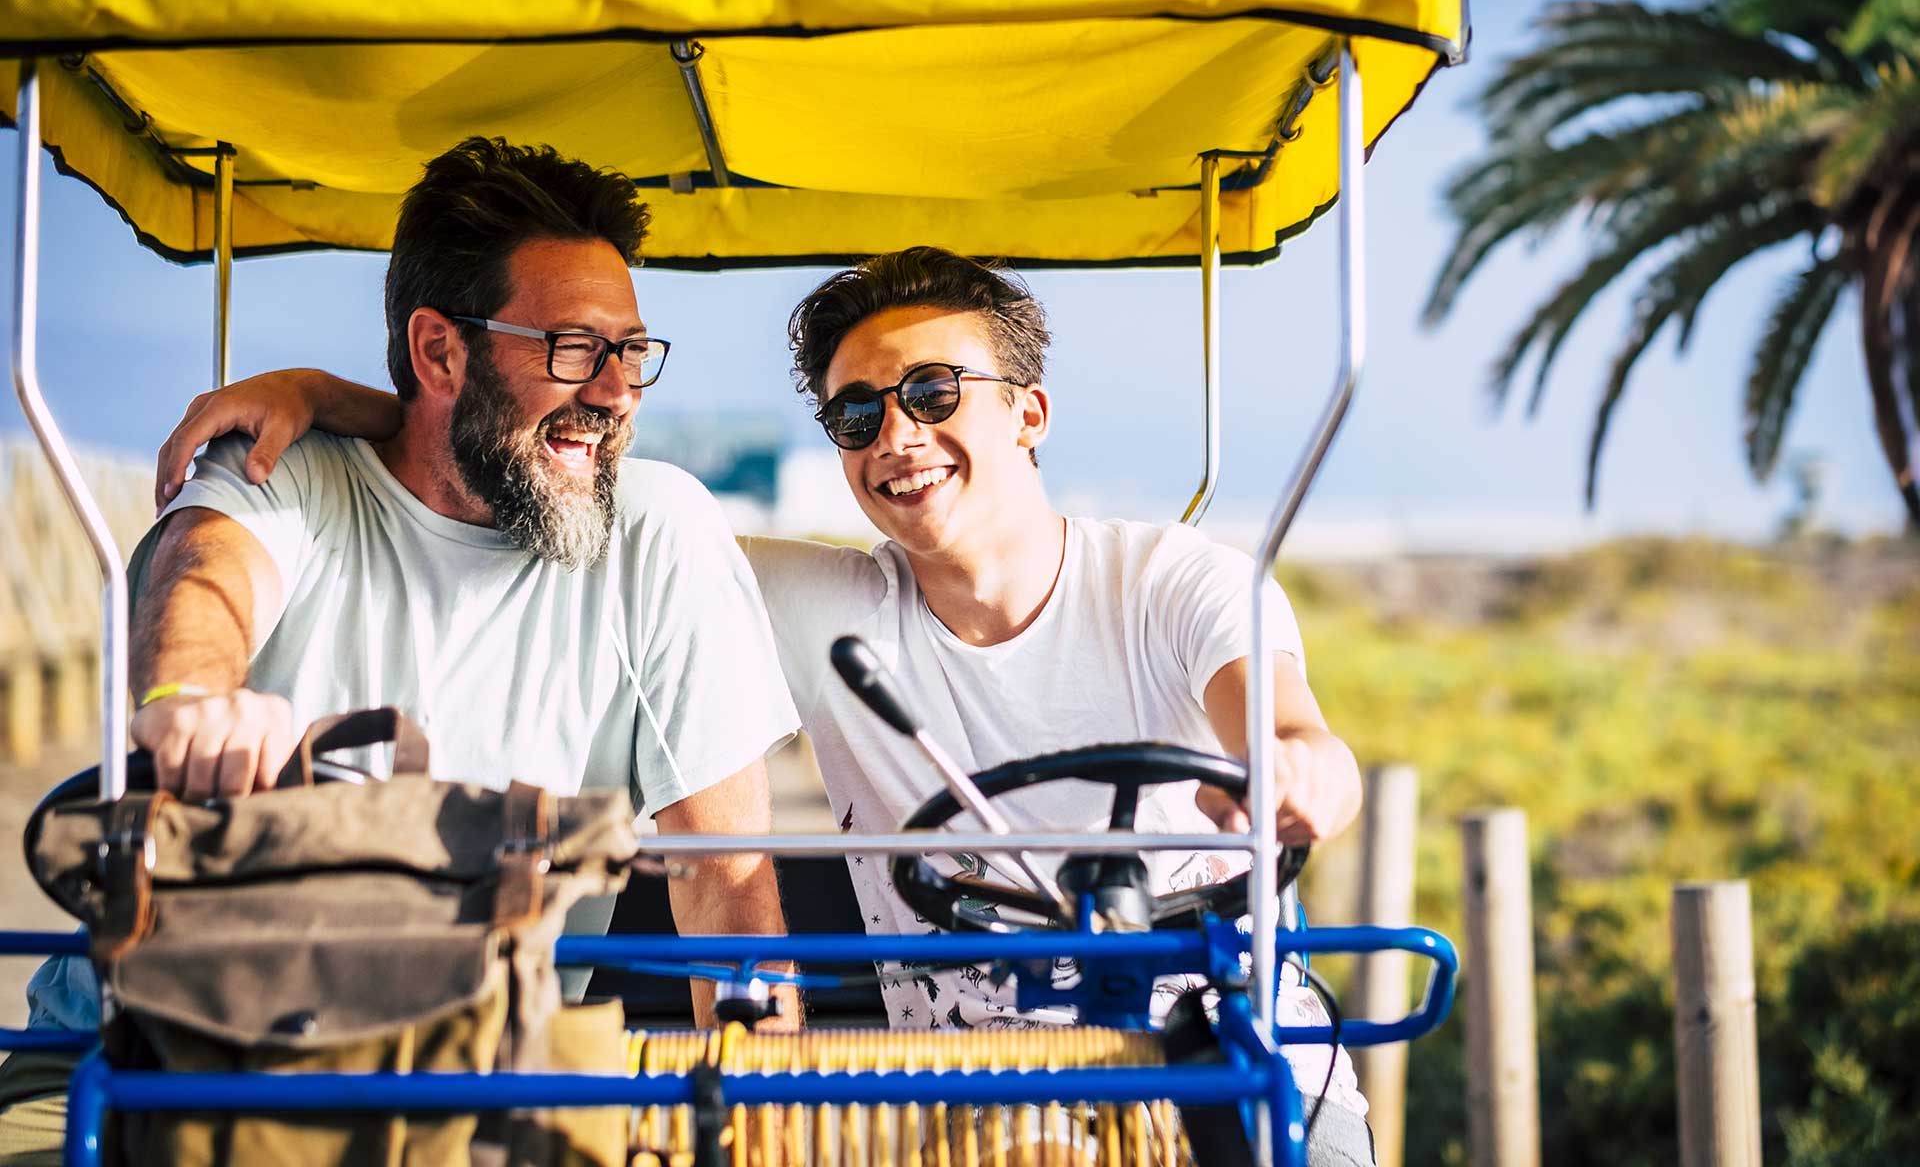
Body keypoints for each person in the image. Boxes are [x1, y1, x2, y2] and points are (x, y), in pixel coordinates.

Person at [147, 247, 1376, 1165]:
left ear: (1029, 411)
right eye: (858, 413)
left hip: (1215, 1056)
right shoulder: (818, 600)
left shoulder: (1176, 583)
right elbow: (564, 466)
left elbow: (1286, 725)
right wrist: (337, 397)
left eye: (935, 391)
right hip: (976, 1096)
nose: (898, 433)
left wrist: (1296, 767)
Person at [0, 137, 801, 1164]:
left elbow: (728, 883)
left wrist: (769, 1133)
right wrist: (193, 697)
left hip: (477, 1068)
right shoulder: (288, 468)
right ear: (438, 353)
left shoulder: (659, 528)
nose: (614, 391)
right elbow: (208, 574)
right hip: (144, 1045)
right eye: (571, 347)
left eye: (630, 350)